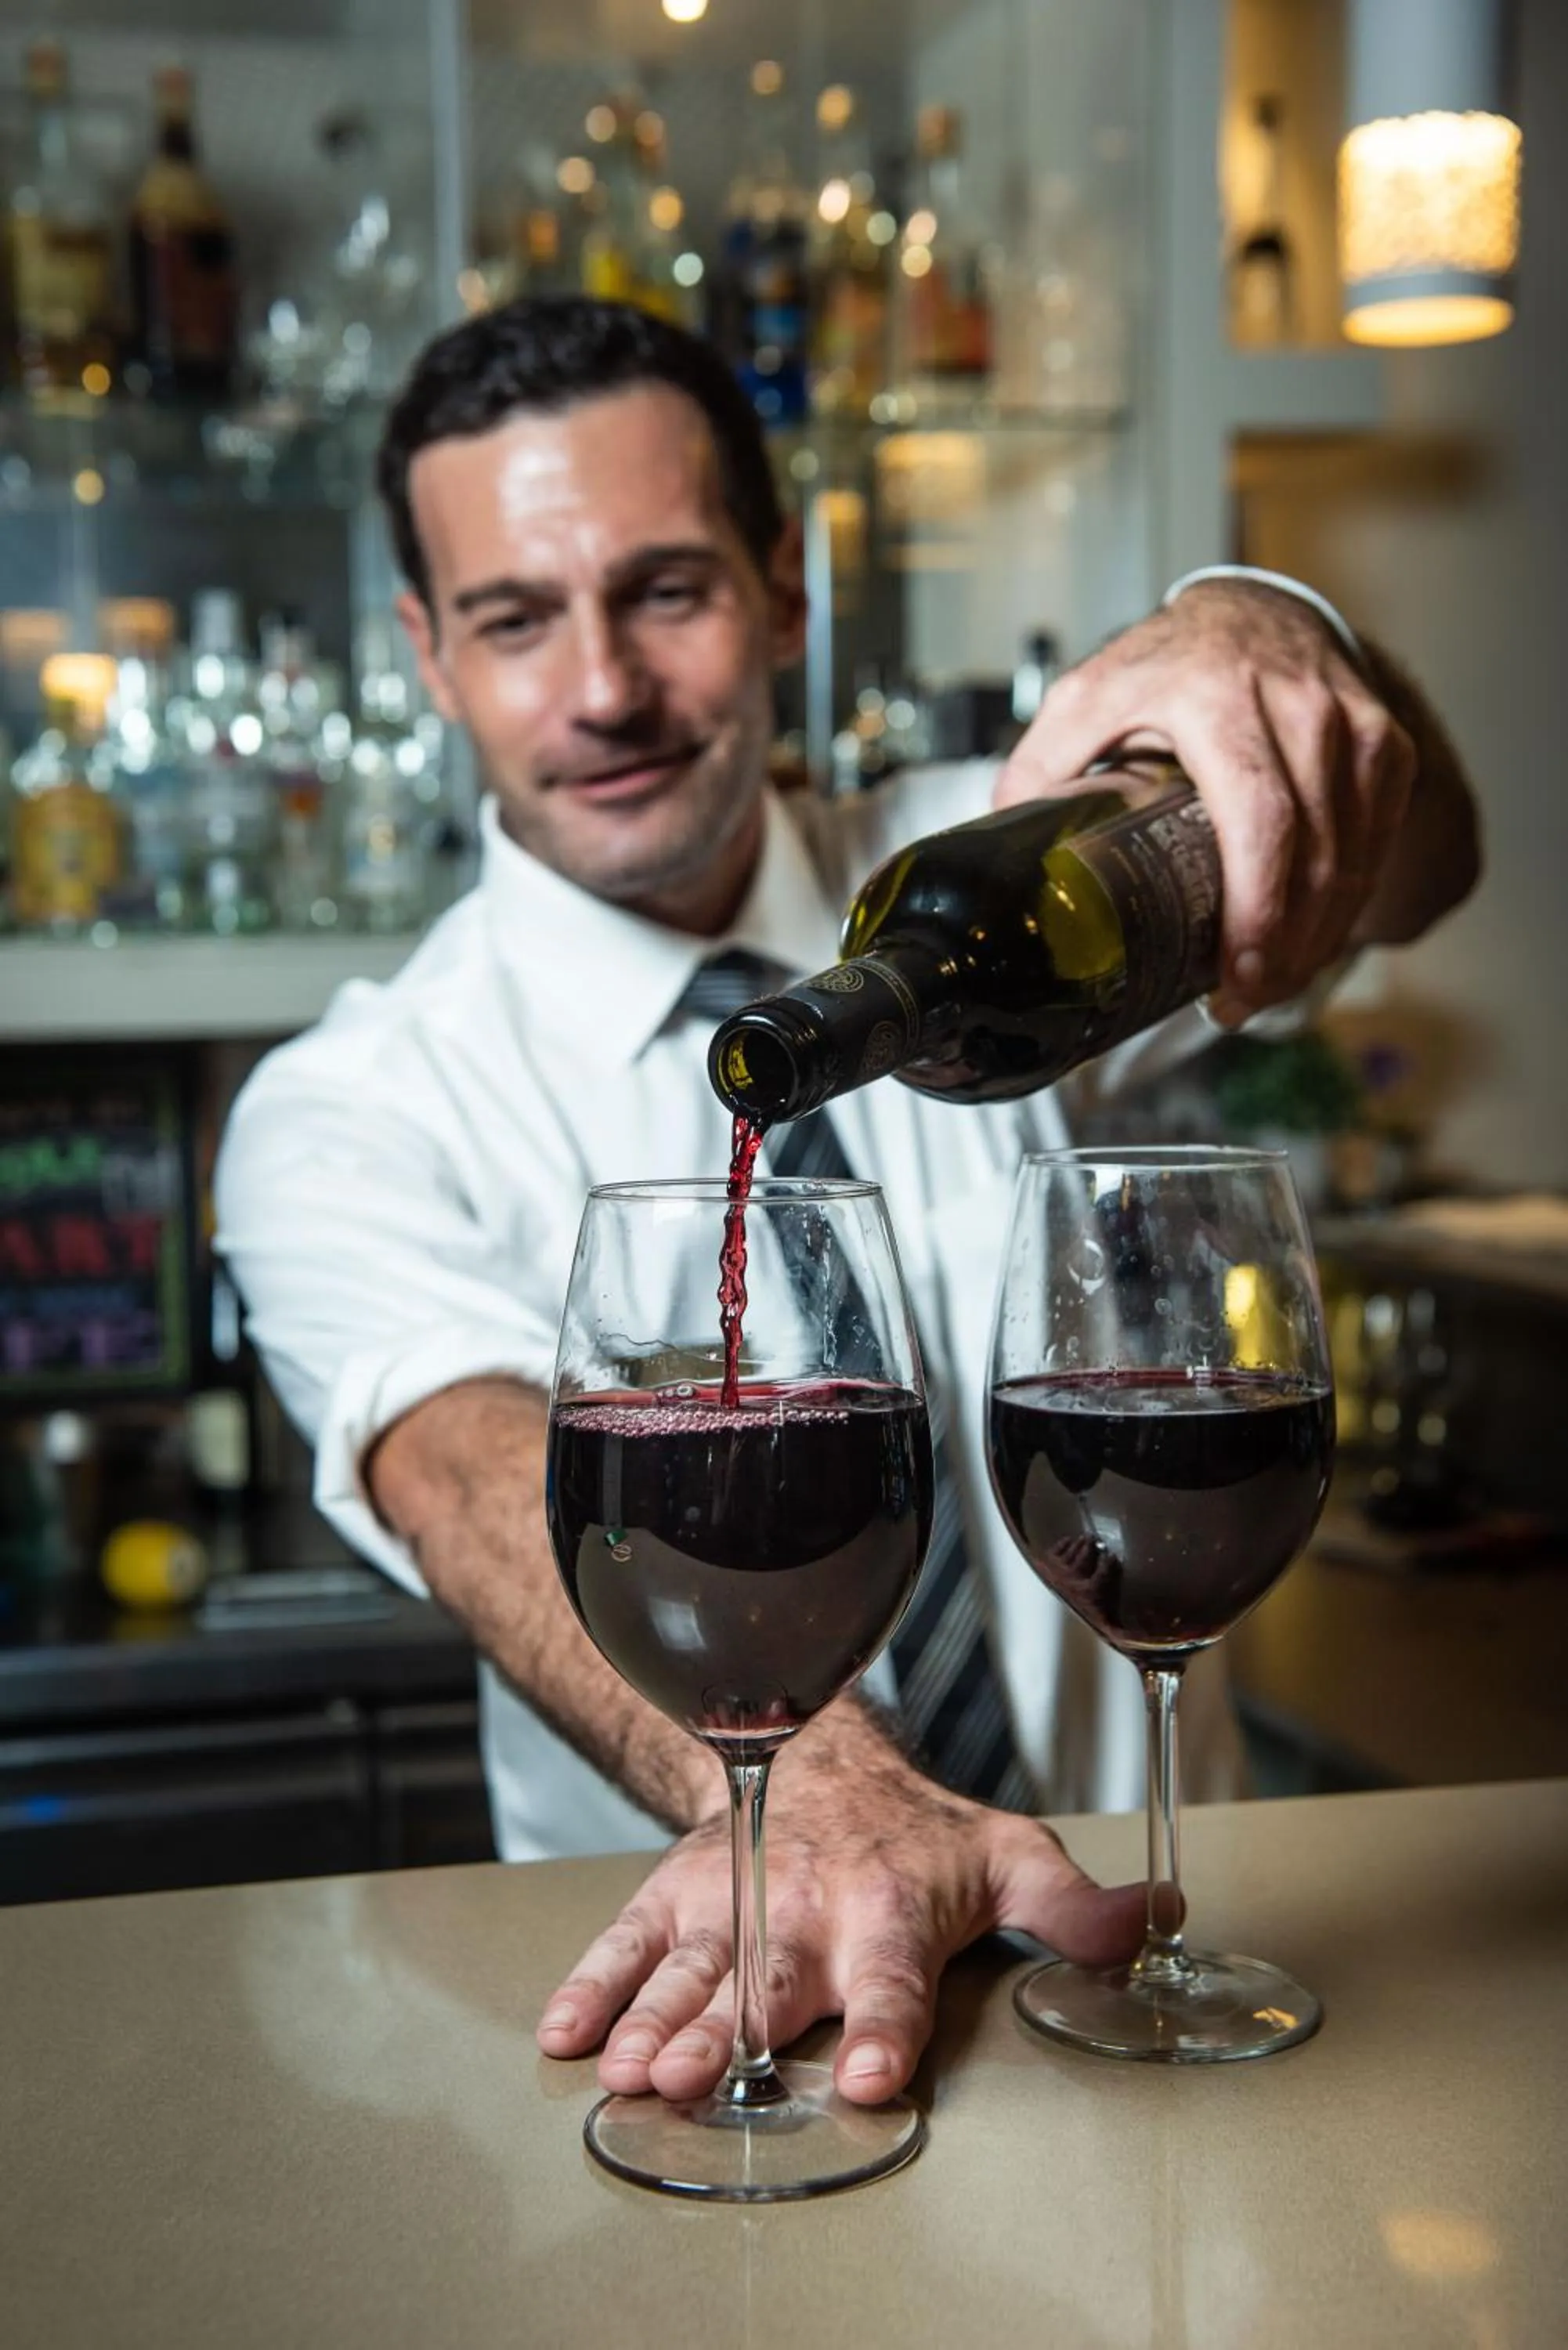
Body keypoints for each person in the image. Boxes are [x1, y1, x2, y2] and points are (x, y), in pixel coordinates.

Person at [215, 298, 1479, 2117]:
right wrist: (834, 1805)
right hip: (725, 2018)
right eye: (512, 618)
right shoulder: (353, 1105)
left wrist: (1273, 638)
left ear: (784, 593)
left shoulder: (1015, 860)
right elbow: (466, 1466)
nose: (599, 690)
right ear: (426, 651)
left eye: (665, 590)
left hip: (1158, 1973)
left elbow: (1427, 869)